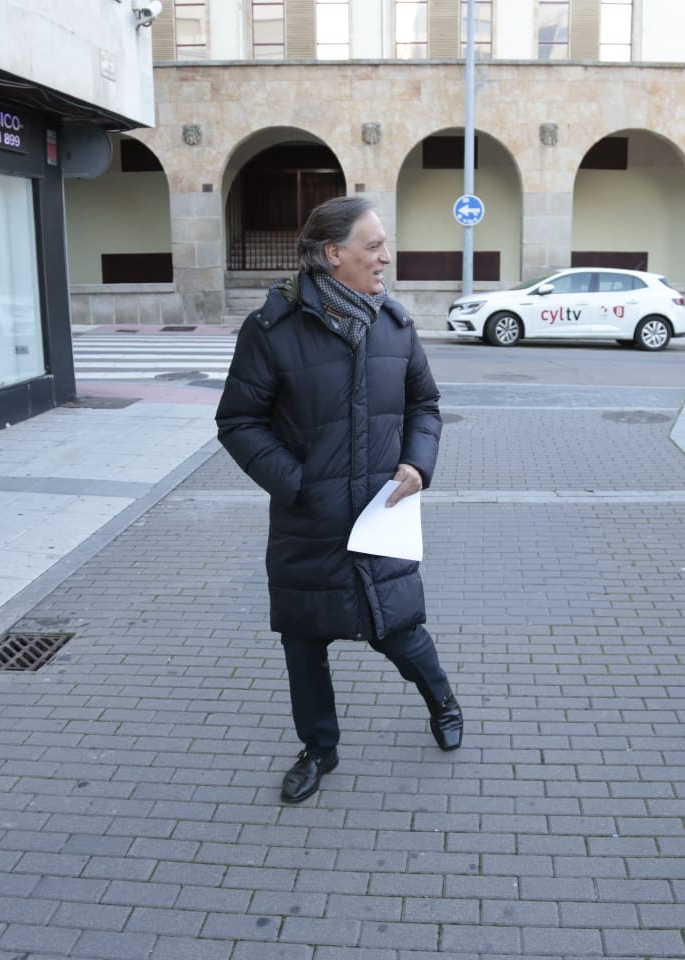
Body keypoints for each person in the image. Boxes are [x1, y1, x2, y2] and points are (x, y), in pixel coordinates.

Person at [215, 195, 462, 804]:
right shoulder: (272, 330)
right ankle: (319, 749)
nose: (386, 255)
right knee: (304, 644)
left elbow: (424, 406)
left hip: (380, 518)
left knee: (399, 631)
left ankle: (443, 701)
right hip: (309, 522)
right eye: (373, 244)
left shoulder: (395, 326)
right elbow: (239, 420)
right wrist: (296, 485)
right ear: (334, 255)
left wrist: (418, 464)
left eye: (384, 243)